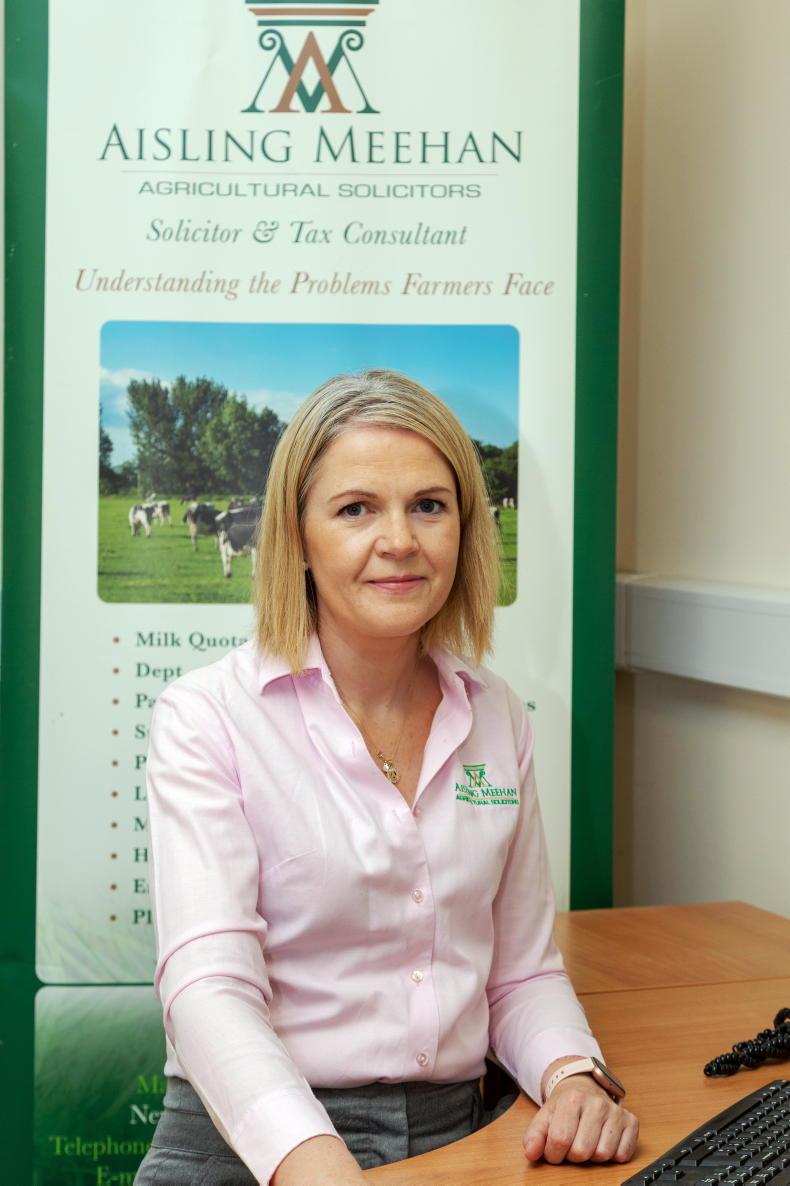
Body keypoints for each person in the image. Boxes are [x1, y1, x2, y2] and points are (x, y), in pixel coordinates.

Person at [134, 370, 638, 1186]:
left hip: (459, 1133)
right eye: (356, 509)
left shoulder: (497, 715)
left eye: (429, 506)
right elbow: (208, 989)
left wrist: (572, 1076)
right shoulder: (206, 717)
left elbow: (520, 972)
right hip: (252, 1136)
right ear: (296, 538)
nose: (400, 539)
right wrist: (318, 1163)